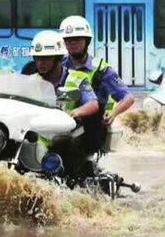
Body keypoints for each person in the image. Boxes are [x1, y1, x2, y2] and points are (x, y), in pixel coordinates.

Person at [30, 30, 99, 181]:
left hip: (67, 135)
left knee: (68, 146)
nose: (40, 63)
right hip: (37, 136)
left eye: (46, 59)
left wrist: (75, 112)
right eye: (37, 58)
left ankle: (74, 184)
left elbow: (93, 104)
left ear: (58, 58)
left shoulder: (77, 79)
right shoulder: (31, 80)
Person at [58, 15, 135, 151]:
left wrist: (113, 113)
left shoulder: (102, 70)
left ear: (87, 41)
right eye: (68, 40)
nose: (72, 43)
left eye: (77, 39)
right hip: (63, 122)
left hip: (91, 127)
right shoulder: (59, 66)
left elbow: (128, 97)